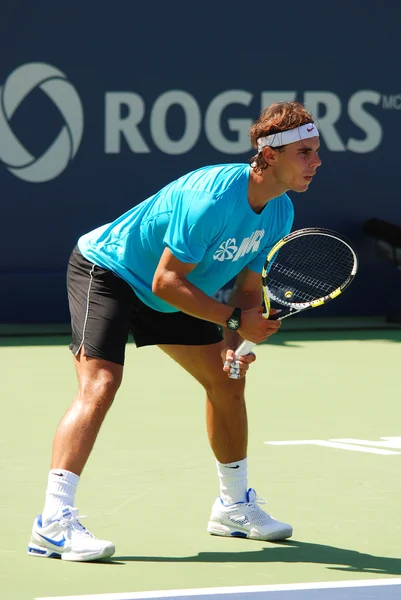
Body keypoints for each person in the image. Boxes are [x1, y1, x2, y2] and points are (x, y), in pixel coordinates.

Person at [28, 101, 321, 561]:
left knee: (228, 380)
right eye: (304, 152)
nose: (316, 162)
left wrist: (237, 342)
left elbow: (248, 286)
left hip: (178, 291)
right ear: (268, 157)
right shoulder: (213, 198)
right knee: (100, 384)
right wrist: (230, 321)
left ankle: (232, 507)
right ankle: (53, 522)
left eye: (315, 151)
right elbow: (166, 280)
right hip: (111, 272)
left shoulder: (279, 211)